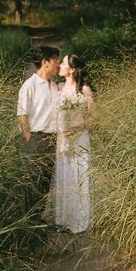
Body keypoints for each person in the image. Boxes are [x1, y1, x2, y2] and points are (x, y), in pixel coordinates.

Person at [16, 45, 60, 223]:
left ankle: (39, 218)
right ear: (45, 62)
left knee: (46, 181)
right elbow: (21, 114)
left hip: (53, 138)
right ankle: (28, 220)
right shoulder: (30, 85)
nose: (57, 65)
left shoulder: (55, 86)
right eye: (56, 61)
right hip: (36, 138)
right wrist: (30, 139)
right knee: (33, 181)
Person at [51, 53, 93, 234]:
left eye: (63, 63)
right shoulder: (59, 87)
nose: (60, 65)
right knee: (64, 174)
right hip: (63, 137)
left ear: (72, 69)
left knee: (79, 174)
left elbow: (93, 117)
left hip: (79, 136)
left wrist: (76, 129)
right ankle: (64, 218)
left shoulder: (83, 89)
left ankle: (79, 219)